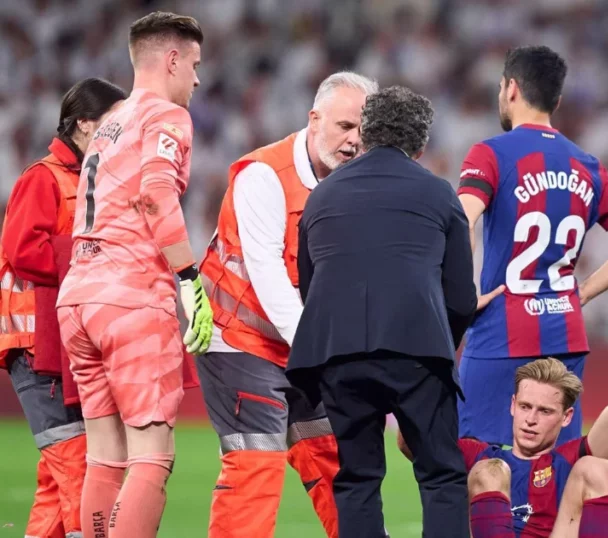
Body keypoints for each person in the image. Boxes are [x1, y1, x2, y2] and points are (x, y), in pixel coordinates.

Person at [287, 85, 476, 538]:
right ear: (421, 143)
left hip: (338, 357)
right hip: (418, 352)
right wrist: (437, 348)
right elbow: (462, 299)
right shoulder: (440, 194)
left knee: (357, 477)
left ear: (366, 132)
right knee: (442, 474)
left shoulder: (322, 196)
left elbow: (311, 288)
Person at [197, 71, 377, 538]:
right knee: (256, 465)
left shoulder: (353, 183)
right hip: (241, 339)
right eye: (344, 127)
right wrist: (325, 355)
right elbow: (269, 275)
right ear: (313, 119)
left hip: (300, 343)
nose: (355, 141)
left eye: (364, 131)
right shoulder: (264, 176)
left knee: (337, 459)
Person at [55, 12, 213, 538]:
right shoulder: (166, 116)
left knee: (105, 458)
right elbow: (156, 192)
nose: (196, 78)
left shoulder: (110, 123)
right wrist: (189, 279)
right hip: (131, 299)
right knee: (151, 457)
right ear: (171, 59)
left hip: (79, 299)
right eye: (193, 64)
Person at [457, 45, 608, 447]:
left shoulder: (491, 153)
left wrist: (460, 294)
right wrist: (580, 293)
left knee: (478, 459)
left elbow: (462, 219)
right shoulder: (587, 164)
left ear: (510, 89)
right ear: (557, 100)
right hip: (563, 332)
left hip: (502, 330)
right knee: (551, 461)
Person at [1, 77, 126, 538]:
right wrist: (95, 251)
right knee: (78, 464)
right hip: (37, 345)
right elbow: (21, 249)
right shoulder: (43, 177)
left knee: (56, 481)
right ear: (83, 125)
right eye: (113, 125)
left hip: (63, 345)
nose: (121, 136)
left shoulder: (89, 179)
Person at [398, 340, 608, 538]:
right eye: (526, 407)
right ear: (513, 405)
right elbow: (411, 440)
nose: (531, 419)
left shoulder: (567, 461)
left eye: (545, 411)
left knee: (599, 468)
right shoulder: (478, 455)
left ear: (566, 417)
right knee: (490, 470)